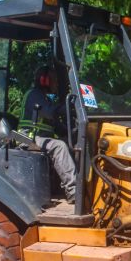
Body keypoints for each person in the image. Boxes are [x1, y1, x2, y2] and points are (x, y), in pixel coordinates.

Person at [21, 66, 76, 203]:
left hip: (41, 140)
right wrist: (66, 107)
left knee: (71, 142)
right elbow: (49, 112)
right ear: (44, 80)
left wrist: (74, 134)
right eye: (55, 80)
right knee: (59, 146)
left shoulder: (46, 99)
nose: (56, 84)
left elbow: (57, 126)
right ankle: (74, 192)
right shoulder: (34, 95)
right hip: (28, 139)